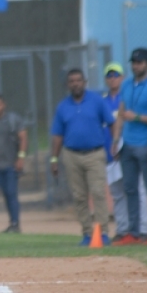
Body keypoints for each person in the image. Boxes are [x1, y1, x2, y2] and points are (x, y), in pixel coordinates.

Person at [51, 69, 113, 245]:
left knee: (99, 193)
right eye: (71, 81)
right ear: (67, 84)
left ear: (84, 82)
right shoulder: (62, 107)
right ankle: (87, 233)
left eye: (78, 80)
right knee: (79, 196)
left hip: (95, 153)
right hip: (71, 155)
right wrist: (54, 159)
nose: (75, 84)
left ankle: (103, 233)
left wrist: (114, 143)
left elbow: (111, 122)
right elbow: (57, 135)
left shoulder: (96, 101)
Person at [111, 48, 147, 245]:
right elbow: (121, 112)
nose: (136, 66)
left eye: (140, 62)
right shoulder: (126, 85)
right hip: (127, 144)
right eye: (134, 62)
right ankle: (133, 233)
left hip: (146, 144)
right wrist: (116, 140)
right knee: (130, 189)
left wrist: (136, 117)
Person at [101, 62, 147, 242]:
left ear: (122, 77)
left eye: (116, 75)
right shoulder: (103, 100)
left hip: (130, 148)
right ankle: (123, 229)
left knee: (137, 189)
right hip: (111, 152)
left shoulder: (129, 96)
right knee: (117, 193)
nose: (113, 78)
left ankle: (142, 228)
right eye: (109, 75)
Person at [0, 94, 27, 233]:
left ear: (4, 105)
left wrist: (21, 157)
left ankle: (16, 223)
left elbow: (23, 137)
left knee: (12, 192)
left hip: (11, 164)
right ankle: (12, 222)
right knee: (6, 195)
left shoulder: (13, 120)